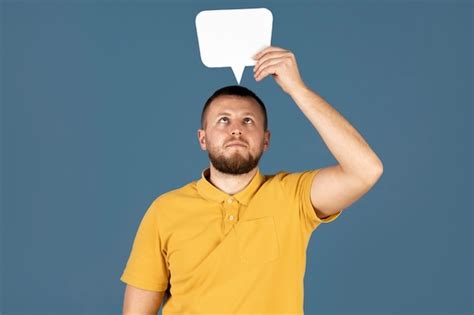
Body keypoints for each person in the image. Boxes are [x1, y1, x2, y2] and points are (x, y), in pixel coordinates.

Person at [121, 46, 383, 315]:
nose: (236, 129)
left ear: (266, 140)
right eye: (223, 120)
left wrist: (298, 90)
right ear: (202, 138)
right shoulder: (164, 211)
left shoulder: (293, 197)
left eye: (248, 121)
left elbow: (365, 170)